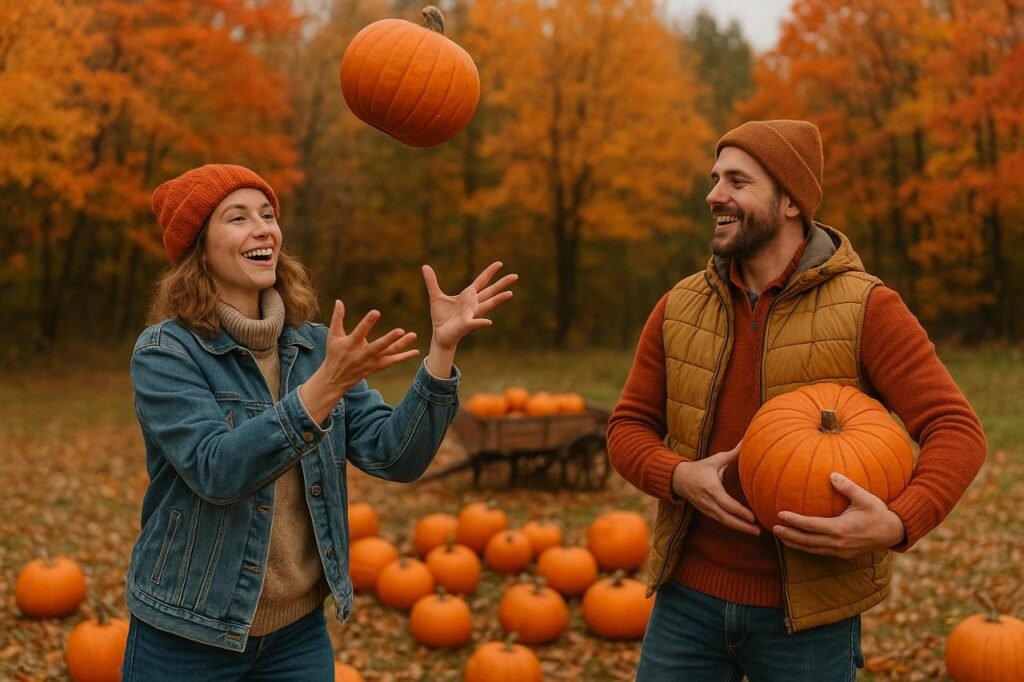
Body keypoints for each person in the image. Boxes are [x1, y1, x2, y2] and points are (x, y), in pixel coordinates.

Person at [607, 120, 986, 681]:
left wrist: (898, 523)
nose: (714, 195)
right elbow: (627, 427)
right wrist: (679, 476)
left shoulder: (867, 307)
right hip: (686, 604)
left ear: (789, 200)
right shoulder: (679, 306)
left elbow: (957, 429)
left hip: (809, 621)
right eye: (715, 179)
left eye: (737, 181)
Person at [122, 164, 516, 681]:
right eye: (237, 218)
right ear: (199, 247)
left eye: (267, 215)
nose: (262, 228)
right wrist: (324, 388)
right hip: (187, 631)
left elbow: (394, 456)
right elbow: (217, 470)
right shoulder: (166, 352)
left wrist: (441, 350)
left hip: (296, 637)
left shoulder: (312, 349)